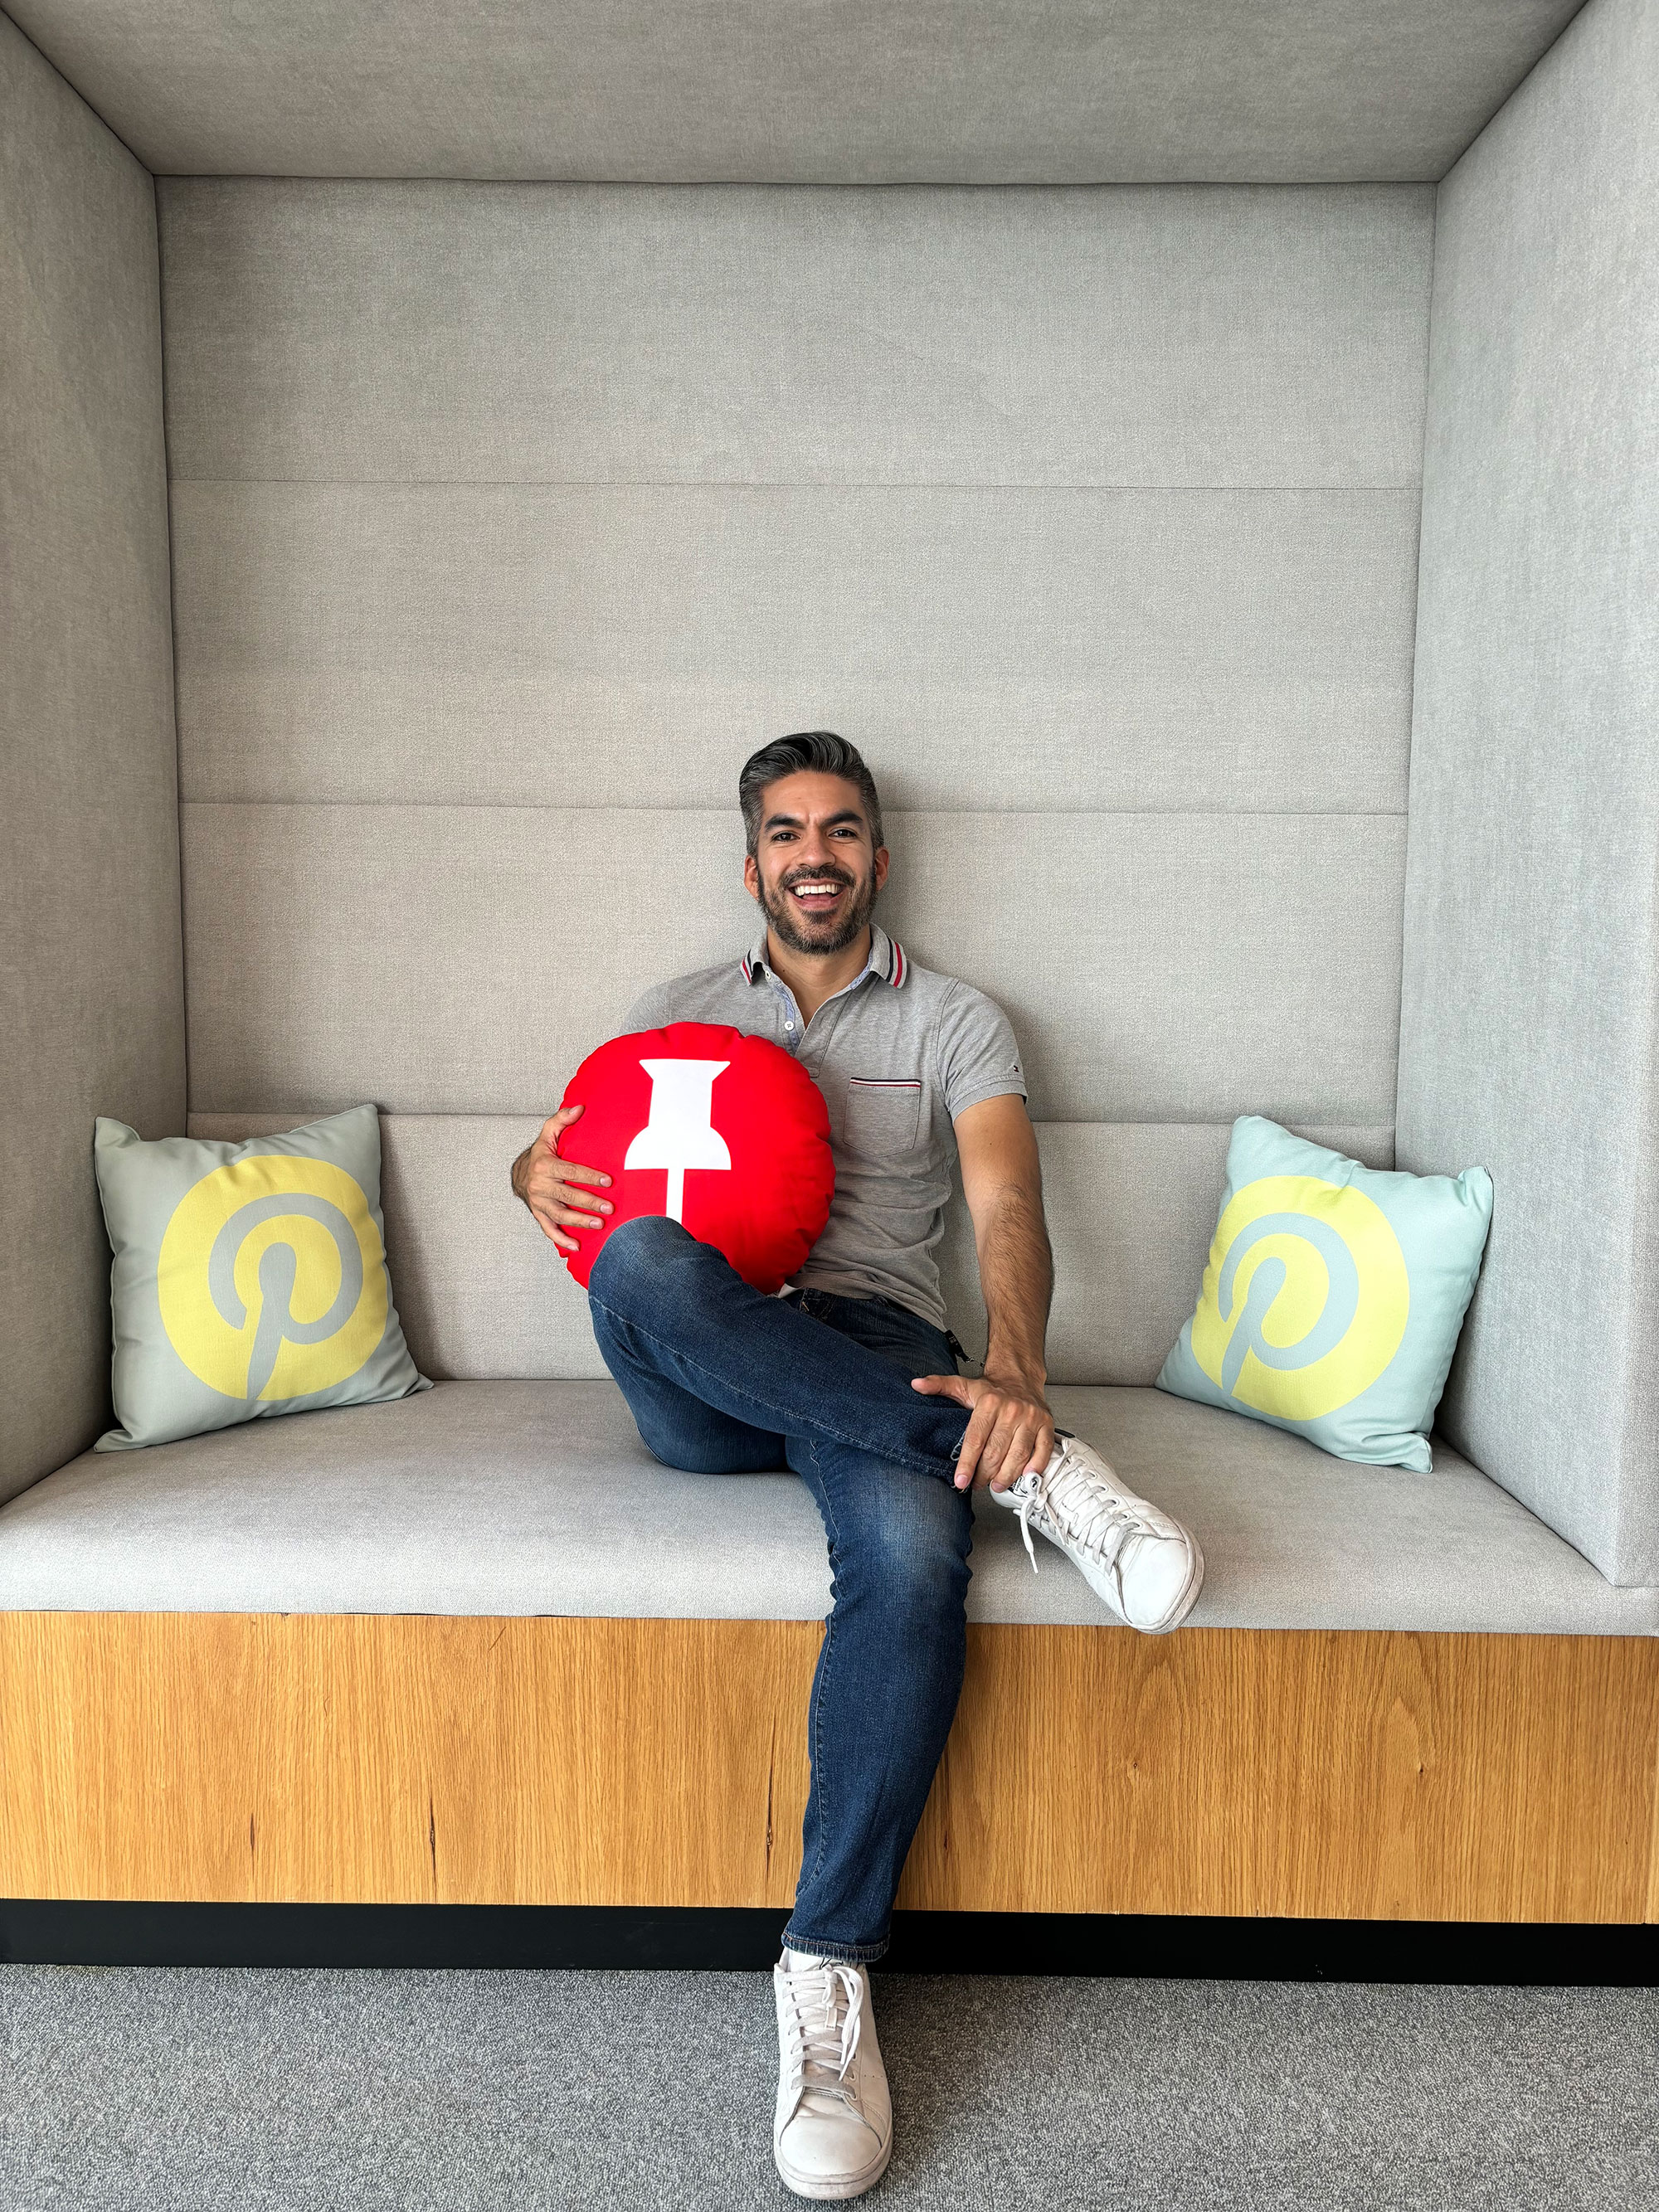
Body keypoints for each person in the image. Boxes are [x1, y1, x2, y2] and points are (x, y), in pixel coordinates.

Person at [511, 730, 1203, 2200]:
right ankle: (1034, 1476)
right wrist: (526, 1174)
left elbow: (1006, 1197)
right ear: (749, 859)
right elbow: (597, 1195)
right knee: (639, 1257)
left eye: (839, 830)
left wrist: (1015, 1365)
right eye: (783, 831)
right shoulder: (674, 1014)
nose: (811, 854)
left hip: (880, 1346)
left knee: (906, 1561)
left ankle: (826, 1981)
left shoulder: (956, 1018)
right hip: (706, 1359)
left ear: (878, 858)